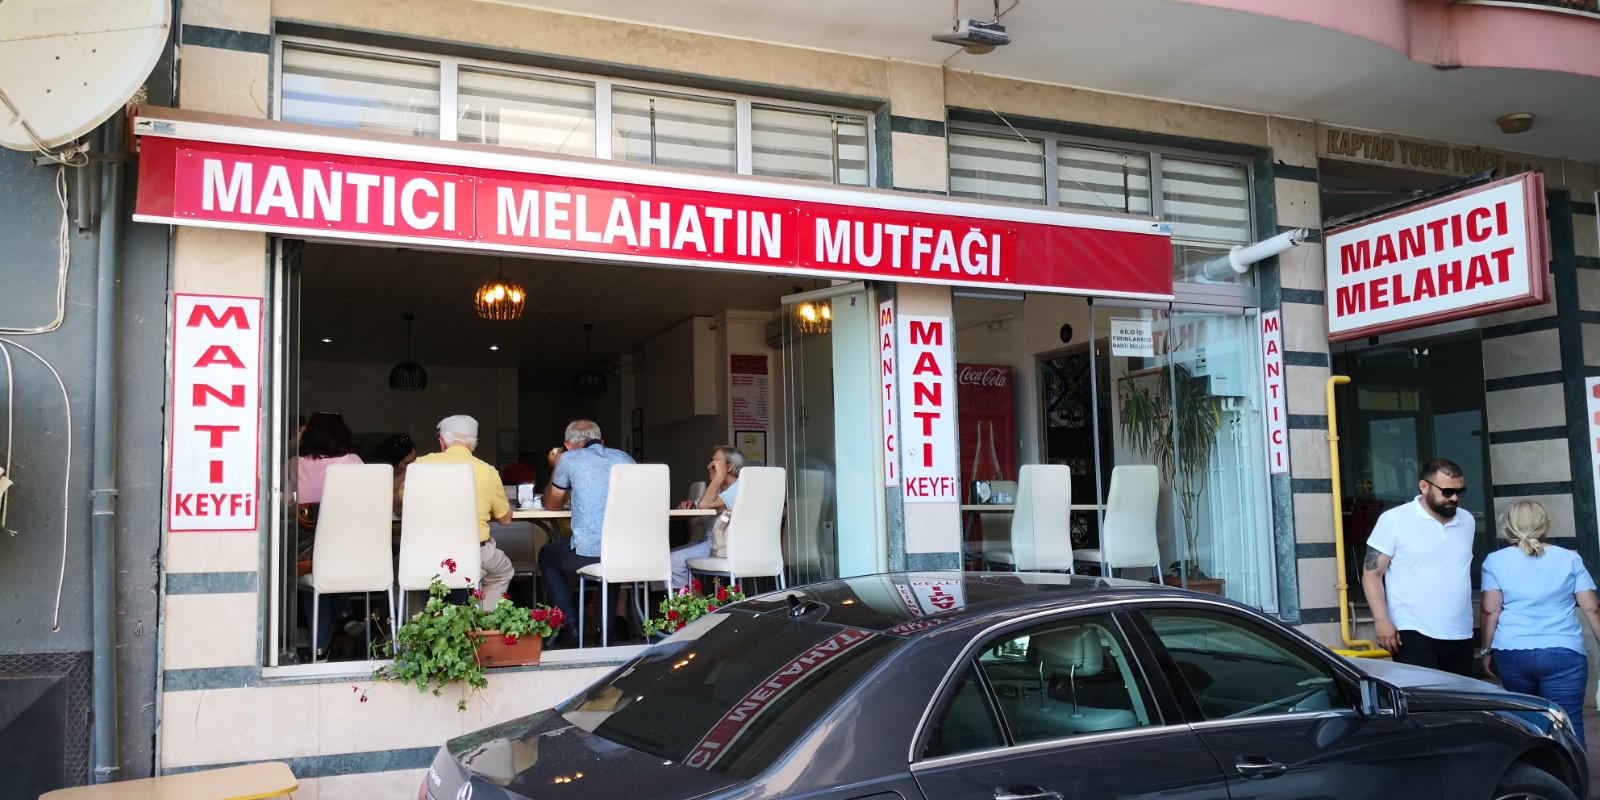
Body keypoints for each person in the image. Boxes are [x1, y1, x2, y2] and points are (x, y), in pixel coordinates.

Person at [1481, 500, 1600, 749]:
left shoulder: (1494, 560)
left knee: (1526, 725)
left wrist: (1486, 650)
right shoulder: (1570, 559)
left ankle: (1536, 774)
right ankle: (1574, 775)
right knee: (1569, 724)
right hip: (1564, 652)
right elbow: (1592, 608)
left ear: (1509, 526)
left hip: (1512, 652)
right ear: (1544, 523)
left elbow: (1491, 611)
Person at [1361, 458, 1475, 676]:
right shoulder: (1394, 520)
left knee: (1459, 697)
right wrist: (1382, 620)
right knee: (1422, 695)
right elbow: (1371, 573)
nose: (1454, 498)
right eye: (1447, 491)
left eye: (1460, 492)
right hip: (1412, 630)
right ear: (1424, 487)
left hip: (1461, 631)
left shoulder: (1467, 521)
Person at [538, 419, 636, 642]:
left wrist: (556, 467)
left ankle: (570, 625)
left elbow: (551, 505)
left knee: (546, 555)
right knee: (611, 556)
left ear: (568, 445)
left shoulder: (569, 458)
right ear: (601, 441)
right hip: (626, 548)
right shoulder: (625, 458)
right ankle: (605, 630)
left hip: (587, 550)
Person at [411, 415, 515, 612]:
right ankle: (483, 623)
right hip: (473, 552)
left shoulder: (420, 465)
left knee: (401, 572)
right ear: (474, 445)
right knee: (502, 572)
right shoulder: (487, 471)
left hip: (425, 553)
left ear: (442, 443)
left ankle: (418, 624)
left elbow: (401, 503)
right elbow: (505, 519)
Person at [669, 446, 743, 590]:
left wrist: (719, 476)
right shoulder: (720, 489)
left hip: (723, 545)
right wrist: (687, 505)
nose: (709, 466)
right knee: (665, 559)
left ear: (729, 467)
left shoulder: (738, 487)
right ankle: (688, 601)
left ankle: (697, 603)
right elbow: (693, 510)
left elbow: (704, 505)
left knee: (673, 561)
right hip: (708, 542)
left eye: (715, 462)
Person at [369, 434, 418, 515]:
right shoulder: (376, 482)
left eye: (415, 459)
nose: (414, 464)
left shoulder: (419, 475)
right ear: (393, 465)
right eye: (407, 463)